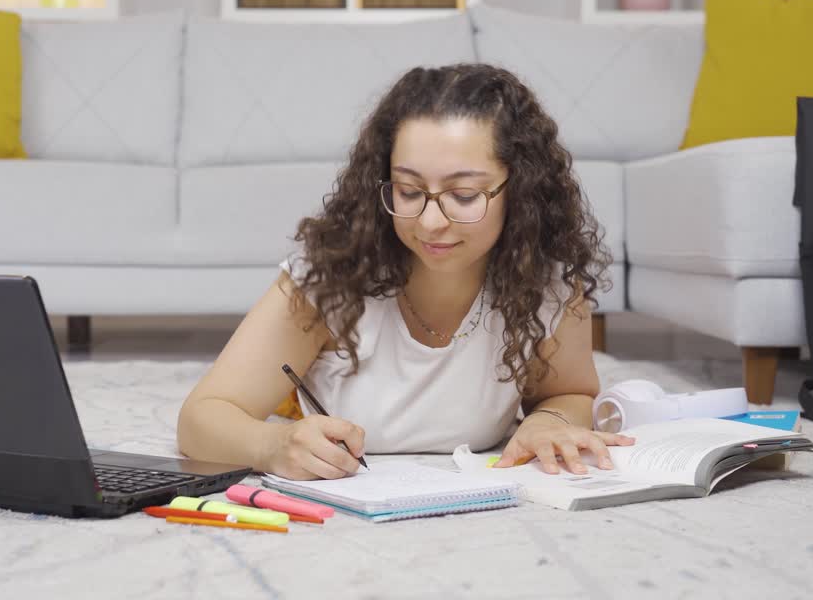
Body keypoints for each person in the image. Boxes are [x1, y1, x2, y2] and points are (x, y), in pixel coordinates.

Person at [176, 63, 634, 481]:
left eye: (465, 195)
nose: (431, 222)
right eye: (409, 190)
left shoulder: (546, 284)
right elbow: (202, 417)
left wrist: (545, 423)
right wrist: (272, 445)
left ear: (521, 192)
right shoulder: (329, 281)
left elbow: (570, 394)